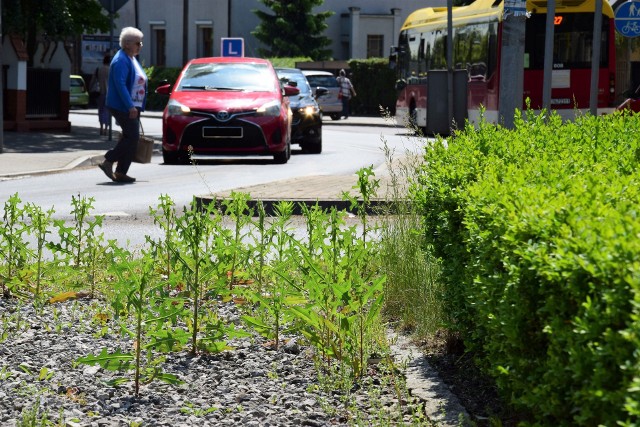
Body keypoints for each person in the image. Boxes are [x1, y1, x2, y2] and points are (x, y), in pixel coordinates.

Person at [98, 27, 147, 184]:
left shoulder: (131, 58)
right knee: (132, 137)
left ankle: (121, 172)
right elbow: (120, 85)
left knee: (130, 137)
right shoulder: (121, 60)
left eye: (141, 43)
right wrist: (130, 106)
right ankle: (109, 161)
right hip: (123, 106)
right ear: (126, 44)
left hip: (132, 105)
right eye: (137, 43)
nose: (140, 46)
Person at [96, 54, 111, 135]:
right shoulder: (111, 70)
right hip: (109, 94)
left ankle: (101, 127)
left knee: (101, 111)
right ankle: (106, 129)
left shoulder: (99, 69)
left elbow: (94, 80)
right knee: (108, 112)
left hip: (101, 92)